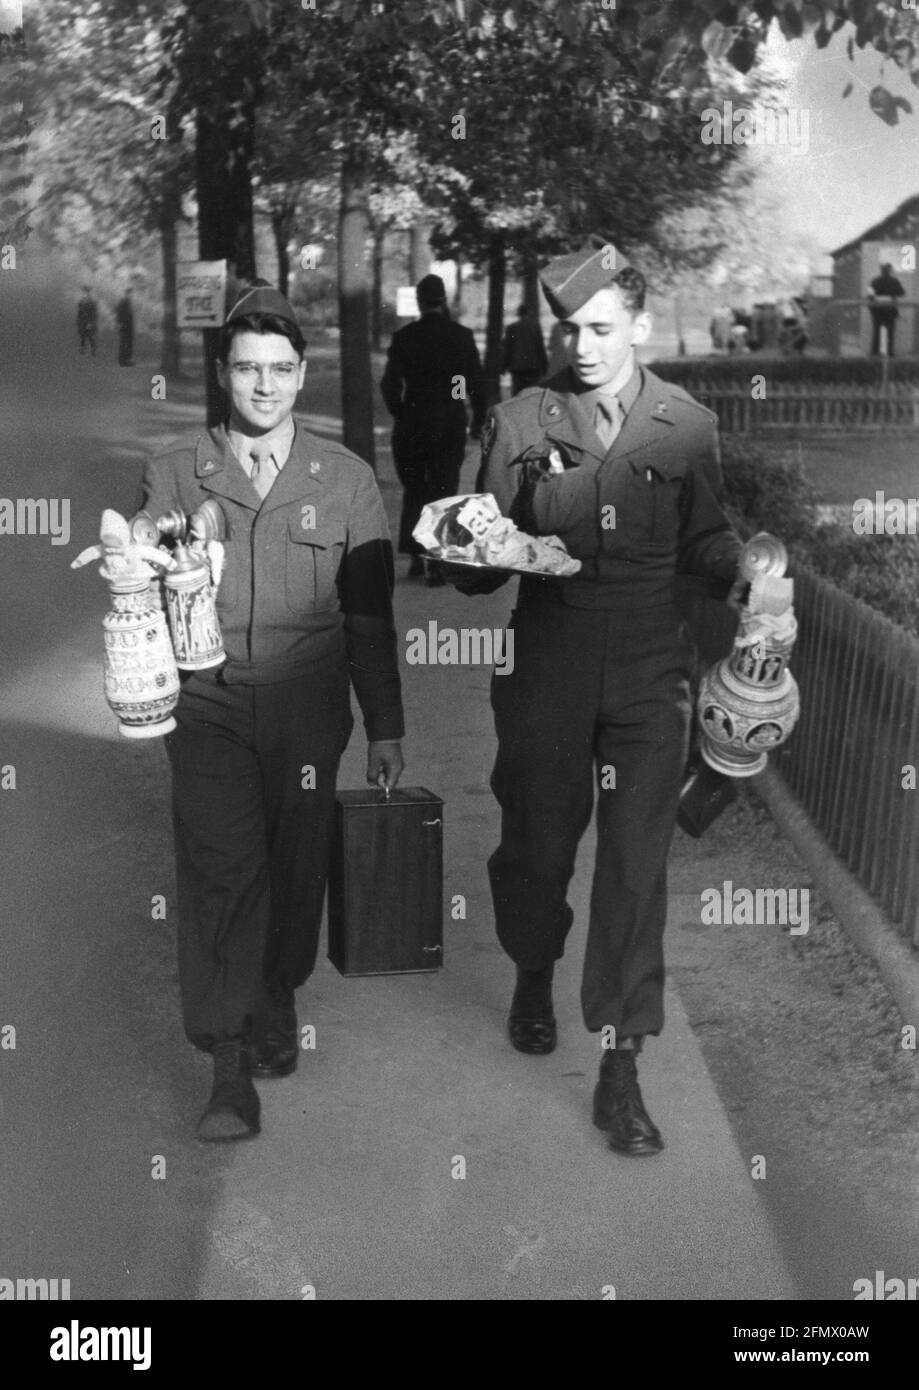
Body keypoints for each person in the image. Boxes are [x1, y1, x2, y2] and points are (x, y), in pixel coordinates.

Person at [450, 237, 743, 1158]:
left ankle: (621, 1064)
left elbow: (705, 541)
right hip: (550, 655)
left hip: (652, 666)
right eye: (568, 325)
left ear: (640, 327)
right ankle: (534, 963)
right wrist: (473, 546)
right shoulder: (518, 421)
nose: (580, 342)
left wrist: (740, 569)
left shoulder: (686, 426)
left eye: (600, 327)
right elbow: (470, 560)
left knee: (634, 865)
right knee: (537, 844)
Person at [138, 285, 405, 1142]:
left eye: (280, 371)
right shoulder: (176, 471)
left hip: (306, 703)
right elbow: (139, 569)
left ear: (302, 376)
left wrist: (386, 725)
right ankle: (225, 1066)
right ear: (223, 374)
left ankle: (279, 992)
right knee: (223, 868)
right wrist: (132, 561)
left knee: (294, 865)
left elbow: (368, 613)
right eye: (247, 369)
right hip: (207, 702)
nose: (263, 387)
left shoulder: (348, 478)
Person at [381, 273, 486, 585]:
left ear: (419, 300)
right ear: (444, 299)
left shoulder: (405, 337)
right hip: (448, 421)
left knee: (415, 488)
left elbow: (390, 384)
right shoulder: (461, 335)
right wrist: (472, 415)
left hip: (413, 421)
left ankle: (415, 555)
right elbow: (470, 382)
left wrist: (402, 411)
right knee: (444, 487)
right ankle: (438, 559)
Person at [500, 303, 548, 395]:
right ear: (528, 313)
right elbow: (540, 348)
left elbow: (508, 350)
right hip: (533, 367)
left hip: (517, 367)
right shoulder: (535, 327)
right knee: (532, 394)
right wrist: (545, 367)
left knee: (518, 394)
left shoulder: (511, 328)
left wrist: (503, 367)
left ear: (518, 313)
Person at [868, 262, 905, 357]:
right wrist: (891, 296)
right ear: (890, 270)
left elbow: (870, 296)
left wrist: (878, 299)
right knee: (890, 333)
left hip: (878, 311)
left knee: (877, 332)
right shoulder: (894, 281)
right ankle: (889, 354)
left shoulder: (874, 281)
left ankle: (875, 353)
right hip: (890, 311)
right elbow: (902, 293)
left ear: (881, 270)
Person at [76, 286, 98, 357]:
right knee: (83, 336)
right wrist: (78, 322)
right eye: (84, 292)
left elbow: (94, 313)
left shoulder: (92, 302)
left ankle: (93, 350)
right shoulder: (81, 302)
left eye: (86, 292)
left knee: (91, 336)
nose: (85, 294)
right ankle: (82, 350)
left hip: (89, 322)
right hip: (82, 322)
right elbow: (79, 313)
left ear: (89, 293)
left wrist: (91, 323)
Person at [115, 288, 134, 366]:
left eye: (131, 294)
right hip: (124, 326)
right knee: (124, 343)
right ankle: (123, 361)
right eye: (129, 294)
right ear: (126, 294)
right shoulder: (123, 302)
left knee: (128, 342)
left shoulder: (128, 302)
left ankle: (126, 360)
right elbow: (118, 313)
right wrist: (120, 323)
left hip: (128, 326)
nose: (130, 295)